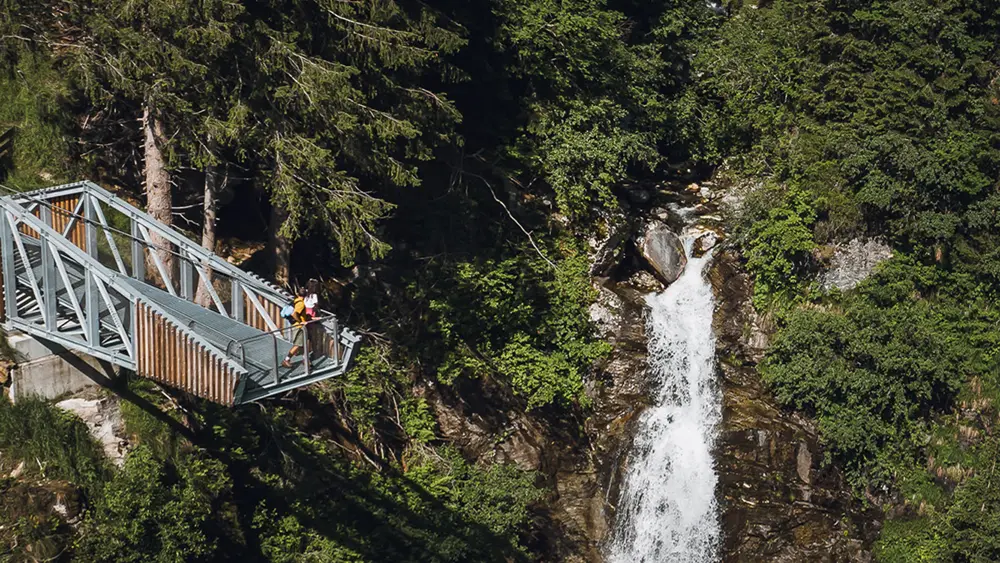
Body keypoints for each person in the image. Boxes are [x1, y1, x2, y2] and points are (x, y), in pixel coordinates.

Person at [281, 287, 311, 368]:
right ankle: (286, 360)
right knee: (298, 344)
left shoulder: (296, 300)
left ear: (298, 294)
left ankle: (305, 359)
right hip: (299, 327)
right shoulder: (301, 304)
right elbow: (294, 313)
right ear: (306, 295)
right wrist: (300, 321)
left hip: (297, 325)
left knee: (304, 343)